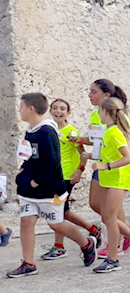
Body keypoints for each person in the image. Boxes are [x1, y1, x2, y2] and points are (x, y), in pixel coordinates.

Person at [6, 93, 98, 278]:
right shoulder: (30, 129)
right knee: (26, 222)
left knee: (56, 224)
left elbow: (52, 161)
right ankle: (28, 263)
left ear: (30, 108)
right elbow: (30, 156)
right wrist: (24, 174)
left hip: (48, 189)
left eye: (21, 107)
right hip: (29, 190)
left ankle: (87, 244)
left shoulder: (47, 131)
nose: (20, 110)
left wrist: (38, 180)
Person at [89, 97, 130, 274]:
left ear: (105, 112)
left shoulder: (114, 132)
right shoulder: (108, 131)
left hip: (118, 179)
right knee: (108, 218)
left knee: (109, 218)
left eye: (99, 111)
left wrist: (104, 166)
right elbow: (109, 154)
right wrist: (92, 157)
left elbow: (128, 157)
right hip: (108, 178)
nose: (97, 114)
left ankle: (113, 259)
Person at [84, 79, 130, 259]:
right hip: (100, 165)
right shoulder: (96, 115)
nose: (89, 95)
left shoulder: (118, 118)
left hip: (112, 169)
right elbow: (98, 140)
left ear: (106, 95)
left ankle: (115, 247)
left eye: (93, 91)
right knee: (96, 204)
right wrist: (80, 141)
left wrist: (114, 162)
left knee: (109, 214)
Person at [45, 98, 102, 260]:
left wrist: (79, 171)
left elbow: (82, 153)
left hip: (66, 177)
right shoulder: (49, 130)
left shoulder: (72, 132)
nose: (58, 111)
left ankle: (59, 247)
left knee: (57, 212)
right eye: (55, 108)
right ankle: (92, 229)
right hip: (52, 177)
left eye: (62, 108)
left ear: (68, 113)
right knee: (64, 212)